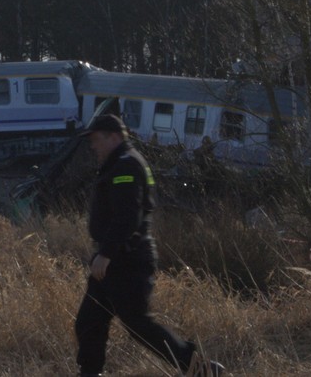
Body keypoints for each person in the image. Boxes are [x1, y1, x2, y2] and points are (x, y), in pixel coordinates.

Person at [74, 114, 224, 377]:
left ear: (115, 137)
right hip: (112, 262)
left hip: (127, 261)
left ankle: (201, 369)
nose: (93, 146)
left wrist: (106, 254)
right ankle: (89, 373)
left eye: (97, 139)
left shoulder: (127, 165)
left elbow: (127, 215)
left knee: (139, 325)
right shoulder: (116, 164)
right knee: (89, 321)